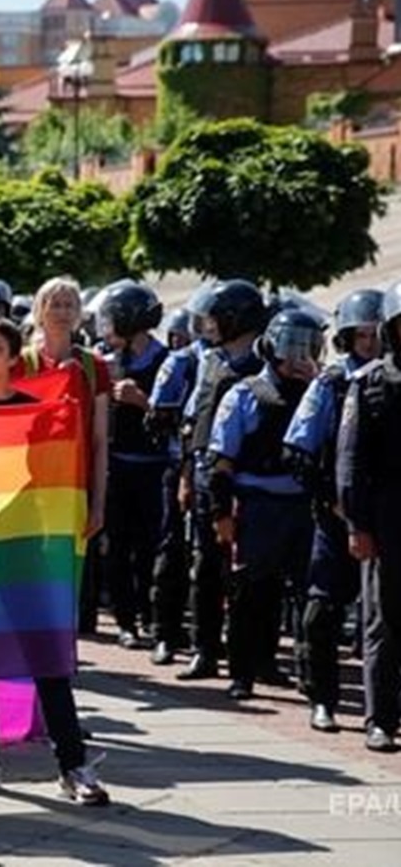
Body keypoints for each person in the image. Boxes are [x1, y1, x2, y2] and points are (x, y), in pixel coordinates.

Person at [0, 315, 109, 806]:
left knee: (45, 657)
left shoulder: (34, 414)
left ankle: (72, 764)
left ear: (14, 360)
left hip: (24, 552)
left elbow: (52, 486)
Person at [208, 308, 323, 701]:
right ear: (272, 347)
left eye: (308, 347)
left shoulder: (319, 394)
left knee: (308, 595)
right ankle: (242, 673)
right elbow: (220, 462)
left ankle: (291, 671)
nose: (299, 357)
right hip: (256, 506)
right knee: (249, 592)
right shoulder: (244, 393)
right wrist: (221, 514)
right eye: (291, 346)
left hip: (304, 505)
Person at [285, 290, 383, 732]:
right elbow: (300, 449)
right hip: (336, 515)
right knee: (322, 608)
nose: (369, 342)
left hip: (387, 516)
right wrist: (332, 502)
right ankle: (321, 698)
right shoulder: (330, 384)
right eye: (360, 334)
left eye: (375, 334)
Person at [178, 280, 268, 681]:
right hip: (204, 475)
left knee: (252, 575)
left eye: (217, 317)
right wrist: (186, 474)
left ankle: (254, 659)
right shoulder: (210, 360)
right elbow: (194, 417)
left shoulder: (265, 362)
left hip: (246, 481)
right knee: (206, 568)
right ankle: (205, 649)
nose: (210, 326)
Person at [15, 277, 111, 631]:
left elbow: (100, 439)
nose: (62, 311)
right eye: (54, 304)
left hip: (73, 487)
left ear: (79, 314)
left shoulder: (93, 367)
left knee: (65, 575)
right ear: (40, 310)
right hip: (25, 488)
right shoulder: (20, 364)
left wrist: (98, 502)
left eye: (69, 304)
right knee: (25, 572)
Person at [337, 280, 401, 753]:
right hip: (387, 521)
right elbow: (351, 460)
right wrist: (358, 524)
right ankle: (380, 720)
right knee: (382, 621)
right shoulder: (371, 383)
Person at [95, 280, 168, 649]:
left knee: (151, 547)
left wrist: (144, 402)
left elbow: (179, 416)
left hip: (155, 468)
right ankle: (127, 622)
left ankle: (153, 619)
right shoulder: (107, 361)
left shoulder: (167, 361)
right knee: (118, 546)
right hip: (116, 466)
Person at [147, 285, 217, 667]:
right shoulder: (182, 361)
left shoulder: (237, 360)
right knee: (172, 551)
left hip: (219, 472)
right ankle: (165, 634)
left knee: (211, 561)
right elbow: (158, 415)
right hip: (179, 466)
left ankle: (208, 642)